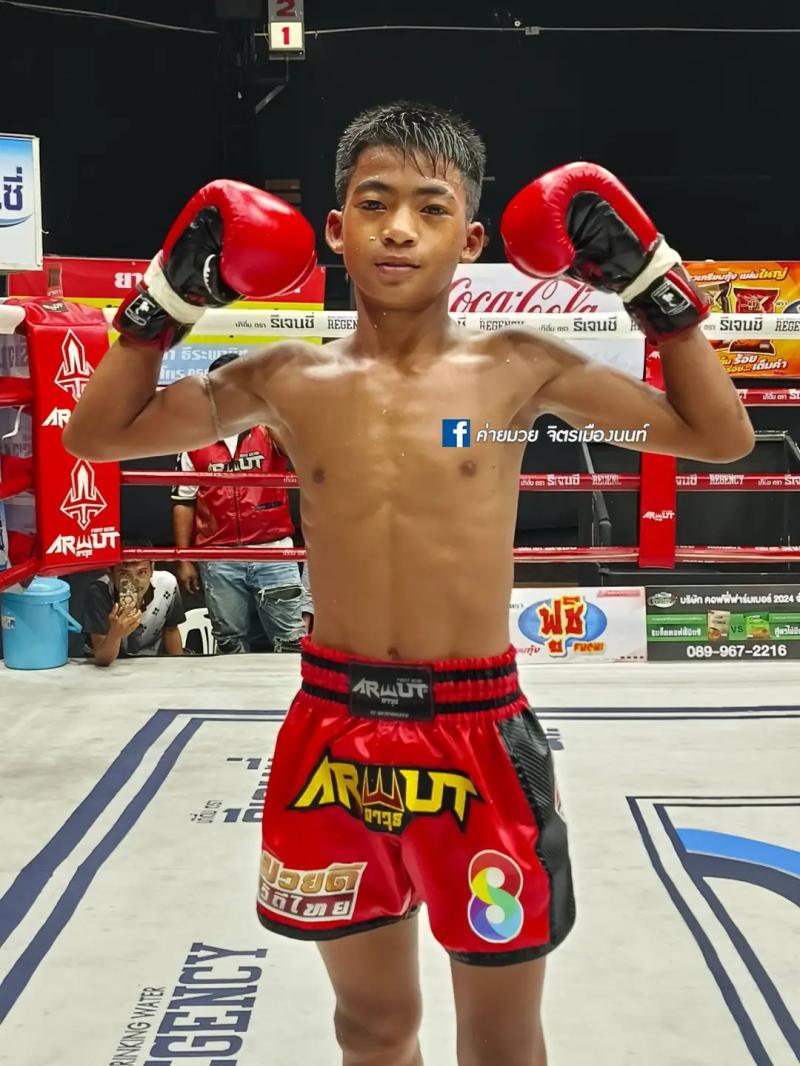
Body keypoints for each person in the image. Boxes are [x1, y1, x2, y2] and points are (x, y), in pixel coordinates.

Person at [64, 102, 754, 1065]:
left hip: (476, 730)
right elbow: (97, 434)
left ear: (470, 240)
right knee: (372, 1025)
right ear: (333, 228)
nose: (398, 229)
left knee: (501, 1040)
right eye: (373, 202)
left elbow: (720, 436)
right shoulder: (284, 378)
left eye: (430, 208)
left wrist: (654, 289)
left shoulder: (518, 371)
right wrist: (161, 306)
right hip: (334, 728)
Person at [172, 351, 306, 654]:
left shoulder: (270, 427)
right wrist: (184, 558)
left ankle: (293, 689)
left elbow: (300, 457)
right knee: (229, 642)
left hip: (273, 550)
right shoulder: (194, 437)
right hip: (219, 555)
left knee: (290, 640)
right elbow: (183, 500)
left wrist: (266, 410)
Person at [84, 549, 185, 666]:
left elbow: (171, 630)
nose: (134, 583)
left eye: (142, 572)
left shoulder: (167, 584)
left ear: (152, 569)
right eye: (124, 574)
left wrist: (180, 668)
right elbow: (103, 659)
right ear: (110, 573)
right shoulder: (99, 591)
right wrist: (115, 633)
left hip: (151, 662)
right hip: (108, 664)